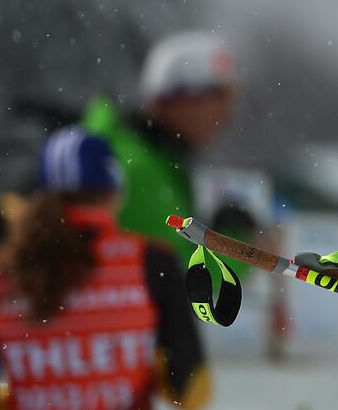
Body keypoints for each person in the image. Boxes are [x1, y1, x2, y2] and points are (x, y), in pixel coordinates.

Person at [0, 127, 210, 410]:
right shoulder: (151, 263)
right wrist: (127, 377)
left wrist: (33, 398)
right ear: (114, 192)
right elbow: (193, 391)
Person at [81, 30, 240, 266]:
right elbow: (173, 277)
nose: (224, 116)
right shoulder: (138, 171)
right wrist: (240, 248)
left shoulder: (148, 157)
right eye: (216, 99)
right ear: (178, 98)